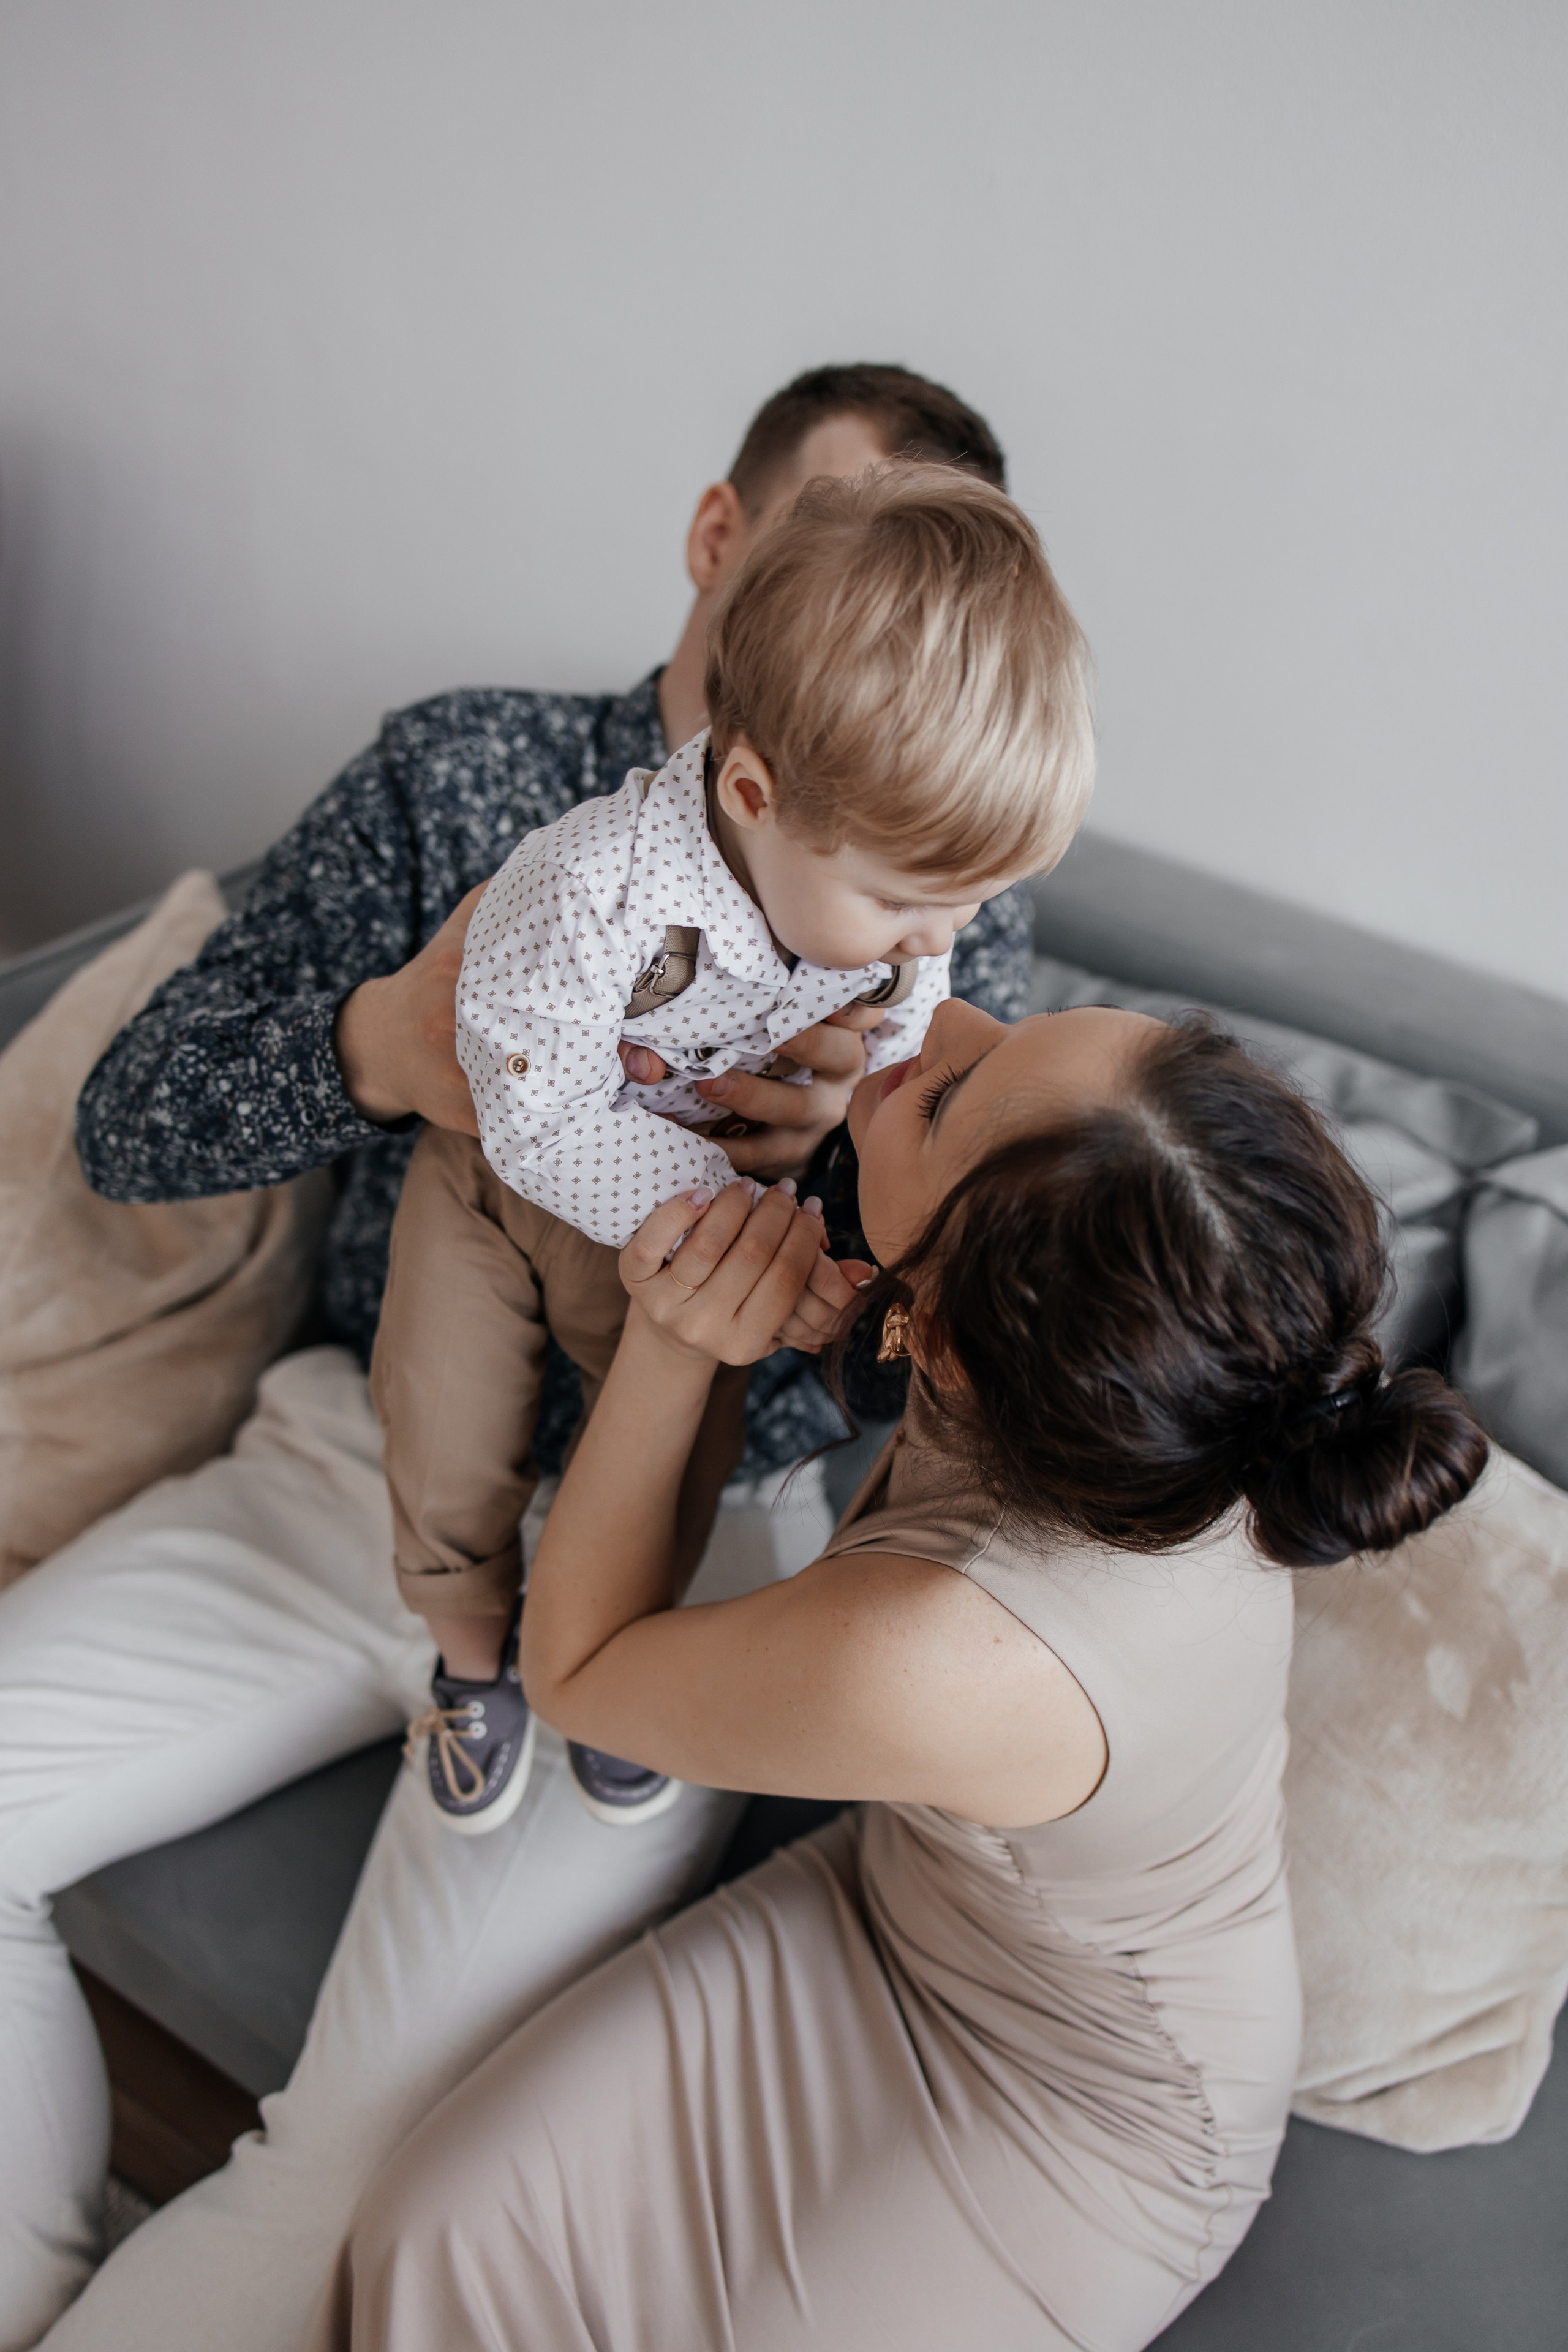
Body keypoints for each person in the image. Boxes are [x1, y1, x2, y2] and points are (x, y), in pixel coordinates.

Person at [0, 364, 1036, 2352]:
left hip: (690, 1561)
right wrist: (388, 1044)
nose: (875, 636)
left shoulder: (945, 890)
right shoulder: (469, 784)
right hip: (354, 1468)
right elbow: (129, 1129)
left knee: (371, 2159)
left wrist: (844, 1189)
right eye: (836, 557)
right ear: (721, 544)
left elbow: (941, 1391)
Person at [330, 996, 1488, 2352]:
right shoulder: (1186, 1371)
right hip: (906, 1914)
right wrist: (850, 1139)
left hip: (1083, 2122)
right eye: (1010, 1032)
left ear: (938, 1337)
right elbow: (898, 1293)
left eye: (950, 1095)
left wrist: (674, 1334)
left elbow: (577, 1674)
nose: (944, 1014)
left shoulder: (949, 1654)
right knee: (435, 2239)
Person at [382, 464, 1092, 1834]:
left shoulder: (890, 913)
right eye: (900, 901)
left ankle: (620, 1654)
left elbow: (904, 1033)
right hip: (504, 1180)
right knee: (444, 1410)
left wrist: (855, 1180)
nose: (928, 942)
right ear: (753, 793)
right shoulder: (586, 890)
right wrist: (727, 1206)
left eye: (966, 904)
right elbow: (533, 1119)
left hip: (682, 1208)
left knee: (675, 1432)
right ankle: (471, 1658)